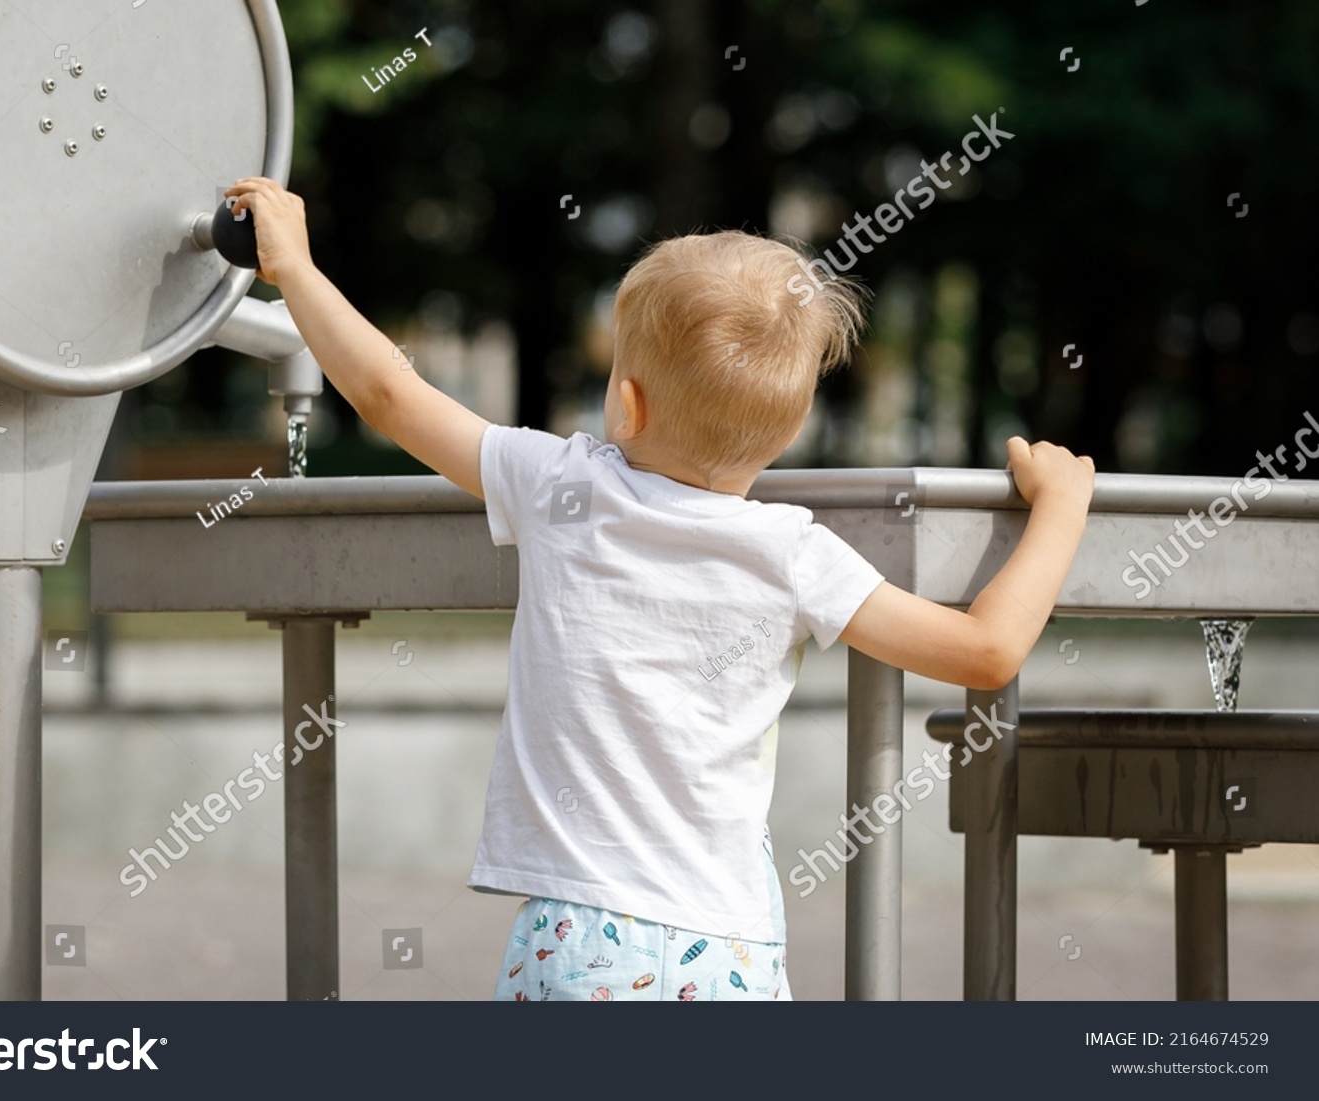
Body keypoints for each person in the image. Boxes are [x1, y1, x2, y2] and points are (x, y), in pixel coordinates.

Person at [225, 178, 1096, 1001]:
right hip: (727, 949)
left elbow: (387, 391)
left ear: (626, 406)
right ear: (788, 430)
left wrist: (295, 267)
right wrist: (1061, 504)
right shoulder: (792, 551)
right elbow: (987, 651)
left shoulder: (562, 488)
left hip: (577, 939)